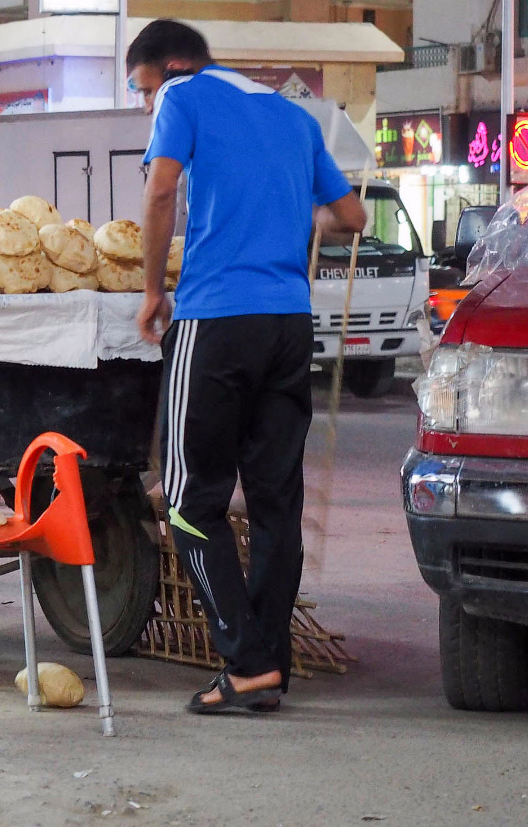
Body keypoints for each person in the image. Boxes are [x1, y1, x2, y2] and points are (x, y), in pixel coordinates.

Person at [130, 19, 367, 714]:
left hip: (215, 320)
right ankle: (267, 662)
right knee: (274, 502)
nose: (148, 107)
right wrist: (294, 221)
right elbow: (350, 214)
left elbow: (161, 192)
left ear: (172, 67)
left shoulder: (186, 96)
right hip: (290, 327)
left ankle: (244, 658)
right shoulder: (292, 116)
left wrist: (152, 290)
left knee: (189, 499)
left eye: (144, 91)